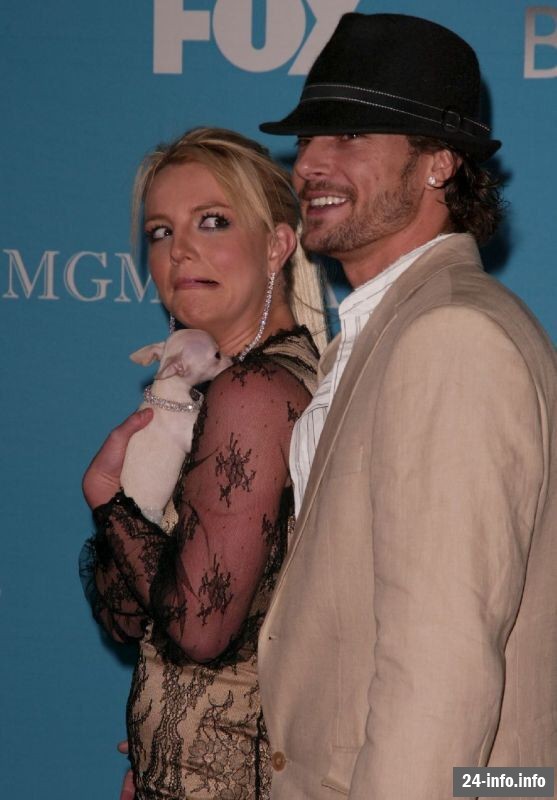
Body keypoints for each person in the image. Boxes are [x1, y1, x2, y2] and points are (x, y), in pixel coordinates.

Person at [256, 13, 557, 799]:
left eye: (349, 135)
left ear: (438, 165)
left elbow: (440, 661)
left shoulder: (448, 338)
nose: (308, 164)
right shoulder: (391, 329)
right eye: (307, 138)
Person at [81, 126, 326, 800]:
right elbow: (130, 619)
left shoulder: (253, 395)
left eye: (212, 221)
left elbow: (195, 628)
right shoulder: (219, 389)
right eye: (160, 232)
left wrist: (107, 499)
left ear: (278, 244)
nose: (179, 249)